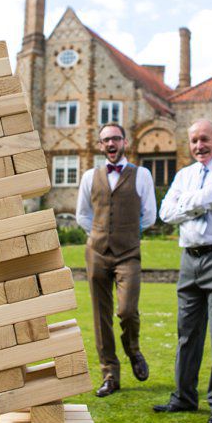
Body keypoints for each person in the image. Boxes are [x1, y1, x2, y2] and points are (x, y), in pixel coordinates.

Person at [154, 119, 212, 423]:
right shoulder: (185, 174)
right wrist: (196, 203)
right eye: (193, 141)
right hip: (189, 258)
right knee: (186, 332)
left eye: (204, 139)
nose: (198, 146)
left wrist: (187, 203)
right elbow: (166, 213)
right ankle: (183, 397)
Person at [76, 123, 157, 397]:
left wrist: (127, 234)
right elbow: (82, 214)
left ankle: (133, 349)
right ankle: (109, 374)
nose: (110, 144)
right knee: (101, 317)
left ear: (125, 142)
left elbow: (149, 215)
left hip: (128, 253)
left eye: (115, 139)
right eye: (105, 140)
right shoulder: (90, 176)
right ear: (100, 146)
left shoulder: (141, 174)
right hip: (96, 252)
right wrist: (99, 235)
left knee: (127, 311)